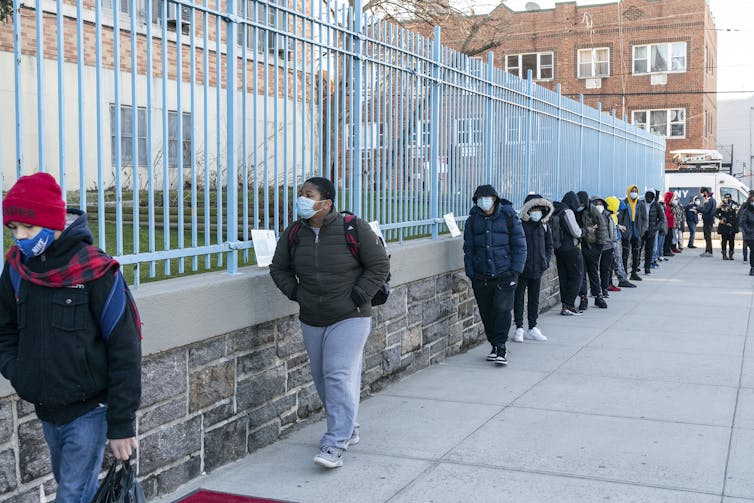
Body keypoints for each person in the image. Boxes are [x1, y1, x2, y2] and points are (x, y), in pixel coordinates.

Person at [0, 172, 142, 502]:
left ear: (53, 222)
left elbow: (125, 348)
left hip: (89, 410)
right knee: (77, 488)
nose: (20, 238)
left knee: (72, 494)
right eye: (13, 229)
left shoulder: (95, 270)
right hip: (48, 410)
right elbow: (4, 328)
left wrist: (121, 423)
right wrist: (17, 369)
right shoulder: (17, 270)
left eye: (28, 228)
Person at [269, 177, 390, 469]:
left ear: (326, 202)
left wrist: (358, 295)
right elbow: (278, 268)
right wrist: (297, 293)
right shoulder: (295, 232)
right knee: (323, 378)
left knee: (337, 374)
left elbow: (379, 266)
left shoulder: (353, 227)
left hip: (350, 315)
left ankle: (335, 443)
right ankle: (350, 428)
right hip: (312, 316)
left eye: (308, 195)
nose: (302, 199)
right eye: (301, 194)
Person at [462, 185, 526, 365]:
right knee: (487, 312)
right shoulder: (473, 220)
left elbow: (520, 245)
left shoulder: (508, 217)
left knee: (502, 310)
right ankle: (493, 344)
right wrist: (471, 272)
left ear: (495, 199)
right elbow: (469, 249)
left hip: (505, 273)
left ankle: (501, 347)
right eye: (480, 198)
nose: (484, 201)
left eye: (487, 197)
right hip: (481, 276)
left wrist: (515, 270)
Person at [512, 194, 553, 343]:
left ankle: (533, 327)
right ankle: (519, 327)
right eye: (533, 209)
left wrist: (546, 261)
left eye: (538, 209)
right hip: (523, 269)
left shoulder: (544, 226)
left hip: (538, 268)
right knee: (519, 298)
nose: (536, 212)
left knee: (534, 299)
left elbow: (549, 246)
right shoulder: (520, 225)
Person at [553, 192, 586, 315]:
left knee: (563, 277)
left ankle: (565, 305)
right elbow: (576, 232)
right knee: (577, 276)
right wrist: (584, 231)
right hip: (571, 249)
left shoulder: (556, 210)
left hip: (559, 249)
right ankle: (569, 304)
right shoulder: (567, 212)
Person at [576, 191, 607, 309]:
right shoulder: (574, 211)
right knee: (582, 274)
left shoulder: (592, 210)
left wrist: (599, 247)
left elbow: (602, 227)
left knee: (593, 272)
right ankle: (583, 298)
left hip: (592, 246)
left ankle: (598, 296)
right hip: (580, 247)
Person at [618, 184, 647, 281]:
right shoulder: (624, 203)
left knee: (636, 253)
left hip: (636, 231)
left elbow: (644, 219)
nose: (634, 193)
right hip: (627, 231)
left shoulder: (640, 204)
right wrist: (622, 229)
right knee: (625, 254)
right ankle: (624, 273)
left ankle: (634, 272)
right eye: (632, 191)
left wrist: (642, 231)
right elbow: (620, 218)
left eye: (635, 191)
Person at [606, 196, 636, 289]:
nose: (619, 211)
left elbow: (614, 224)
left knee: (617, 261)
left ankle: (620, 279)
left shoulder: (613, 215)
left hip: (616, 239)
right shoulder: (609, 215)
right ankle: (621, 280)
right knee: (617, 261)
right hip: (613, 241)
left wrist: (619, 226)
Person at [591, 197, 615, 299]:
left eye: (601, 204)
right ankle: (595, 290)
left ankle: (604, 289)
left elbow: (612, 230)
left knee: (605, 269)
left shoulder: (608, 215)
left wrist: (613, 243)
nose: (599, 206)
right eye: (597, 204)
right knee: (593, 269)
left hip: (607, 246)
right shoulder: (590, 215)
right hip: (594, 246)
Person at [643, 191, 664, 275]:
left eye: (651, 197)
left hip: (651, 231)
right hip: (642, 231)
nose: (649, 199)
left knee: (649, 250)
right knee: (638, 249)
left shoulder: (656, 205)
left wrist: (655, 228)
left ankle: (647, 268)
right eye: (647, 196)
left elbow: (661, 218)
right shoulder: (642, 204)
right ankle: (636, 267)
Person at [715, 193, 739, 260]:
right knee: (724, 241)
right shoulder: (722, 204)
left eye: (728, 198)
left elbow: (738, 212)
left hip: (732, 225)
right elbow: (715, 213)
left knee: (732, 241)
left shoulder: (734, 204)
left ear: (731, 198)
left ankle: (731, 255)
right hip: (724, 225)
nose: (727, 199)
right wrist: (720, 218)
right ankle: (724, 254)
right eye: (726, 198)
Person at [738, 192, 754, 275]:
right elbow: (742, 222)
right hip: (750, 235)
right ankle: (752, 268)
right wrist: (748, 231)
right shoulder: (747, 210)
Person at [699, 187, 716, 257]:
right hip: (709, 220)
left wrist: (697, 209)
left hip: (708, 220)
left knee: (707, 236)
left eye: (702, 193)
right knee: (707, 236)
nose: (702, 195)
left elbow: (706, 210)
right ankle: (707, 250)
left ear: (705, 192)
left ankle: (709, 251)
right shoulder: (712, 199)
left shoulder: (709, 200)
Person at [662, 192, 676, 258]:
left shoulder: (670, 206)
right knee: (667, 238)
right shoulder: (666, 206)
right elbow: (666, 216)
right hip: (667, 225)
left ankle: (668, 250)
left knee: (670, 237)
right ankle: (666, 251)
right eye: (671, 199)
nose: (672, 200)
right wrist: (672, 214)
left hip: (670, 225)